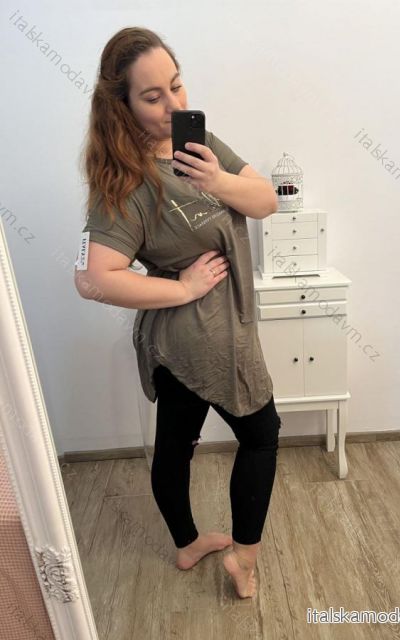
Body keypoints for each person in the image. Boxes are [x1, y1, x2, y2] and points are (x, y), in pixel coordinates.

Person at [74, 26, 282, 599]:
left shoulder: (198, 144)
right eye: (152, 96)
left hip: (199, 336)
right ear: (121, 106)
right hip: (201, 335)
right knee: (262, 435)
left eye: (176, 85)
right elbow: (93, 278)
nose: (173, 105)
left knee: (175, 444)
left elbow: (266, 201)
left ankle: (187, 545)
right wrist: (186, 288)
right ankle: (244, 558)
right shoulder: (126, 180)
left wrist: (216, 178)